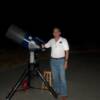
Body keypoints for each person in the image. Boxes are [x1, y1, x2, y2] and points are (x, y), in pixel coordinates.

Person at [42, 27, 69, 100]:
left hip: (61, 61)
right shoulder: (51, 40)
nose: (55, 33)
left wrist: (66, 62)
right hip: (53, 61)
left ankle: (64, 94)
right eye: (54, 32)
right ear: (53, 33)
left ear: (60, 33)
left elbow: (67, 51)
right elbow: (45, 46)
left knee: (62, 78)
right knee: (55, 78)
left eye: (57, 32)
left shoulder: (63, 40)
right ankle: (57, 91)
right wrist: (40, 45)